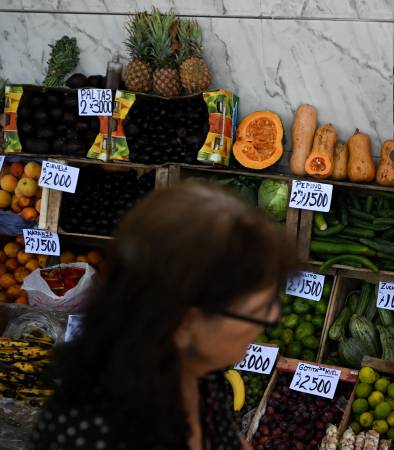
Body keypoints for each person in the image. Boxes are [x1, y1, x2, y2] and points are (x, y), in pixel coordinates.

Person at [33, 182, 294, 450]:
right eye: (256, 313)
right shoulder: (90, 432)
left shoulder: (200, 375)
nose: (270, 321)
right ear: (185, 323)